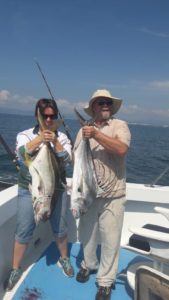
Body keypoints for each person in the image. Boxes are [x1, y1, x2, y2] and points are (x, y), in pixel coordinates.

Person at [4, 98, 74, 291]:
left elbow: (68, 159)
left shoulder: (63, 138)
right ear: (38, 116)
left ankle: (65, 259)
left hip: (57, 189)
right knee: (24, 230)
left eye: (53, 116)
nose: (50, 120)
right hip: (29, 189)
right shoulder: (25, 135)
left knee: (60, 227)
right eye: (45, 116)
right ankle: (15, 269)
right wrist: (40, 140)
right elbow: (20, 154)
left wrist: (55, 143)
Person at [73, 89, 131, 300]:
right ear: (94, 107)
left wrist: (96, 134)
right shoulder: (82, 131)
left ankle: (105, 281)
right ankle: (88, 265)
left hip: (113, 195)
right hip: (88, 194)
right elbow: (76, 159)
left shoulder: (119, 126)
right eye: (101, 102)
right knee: (86, 235)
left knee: (110, 240)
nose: (105, 105)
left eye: (108, 102)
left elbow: (122, 149)